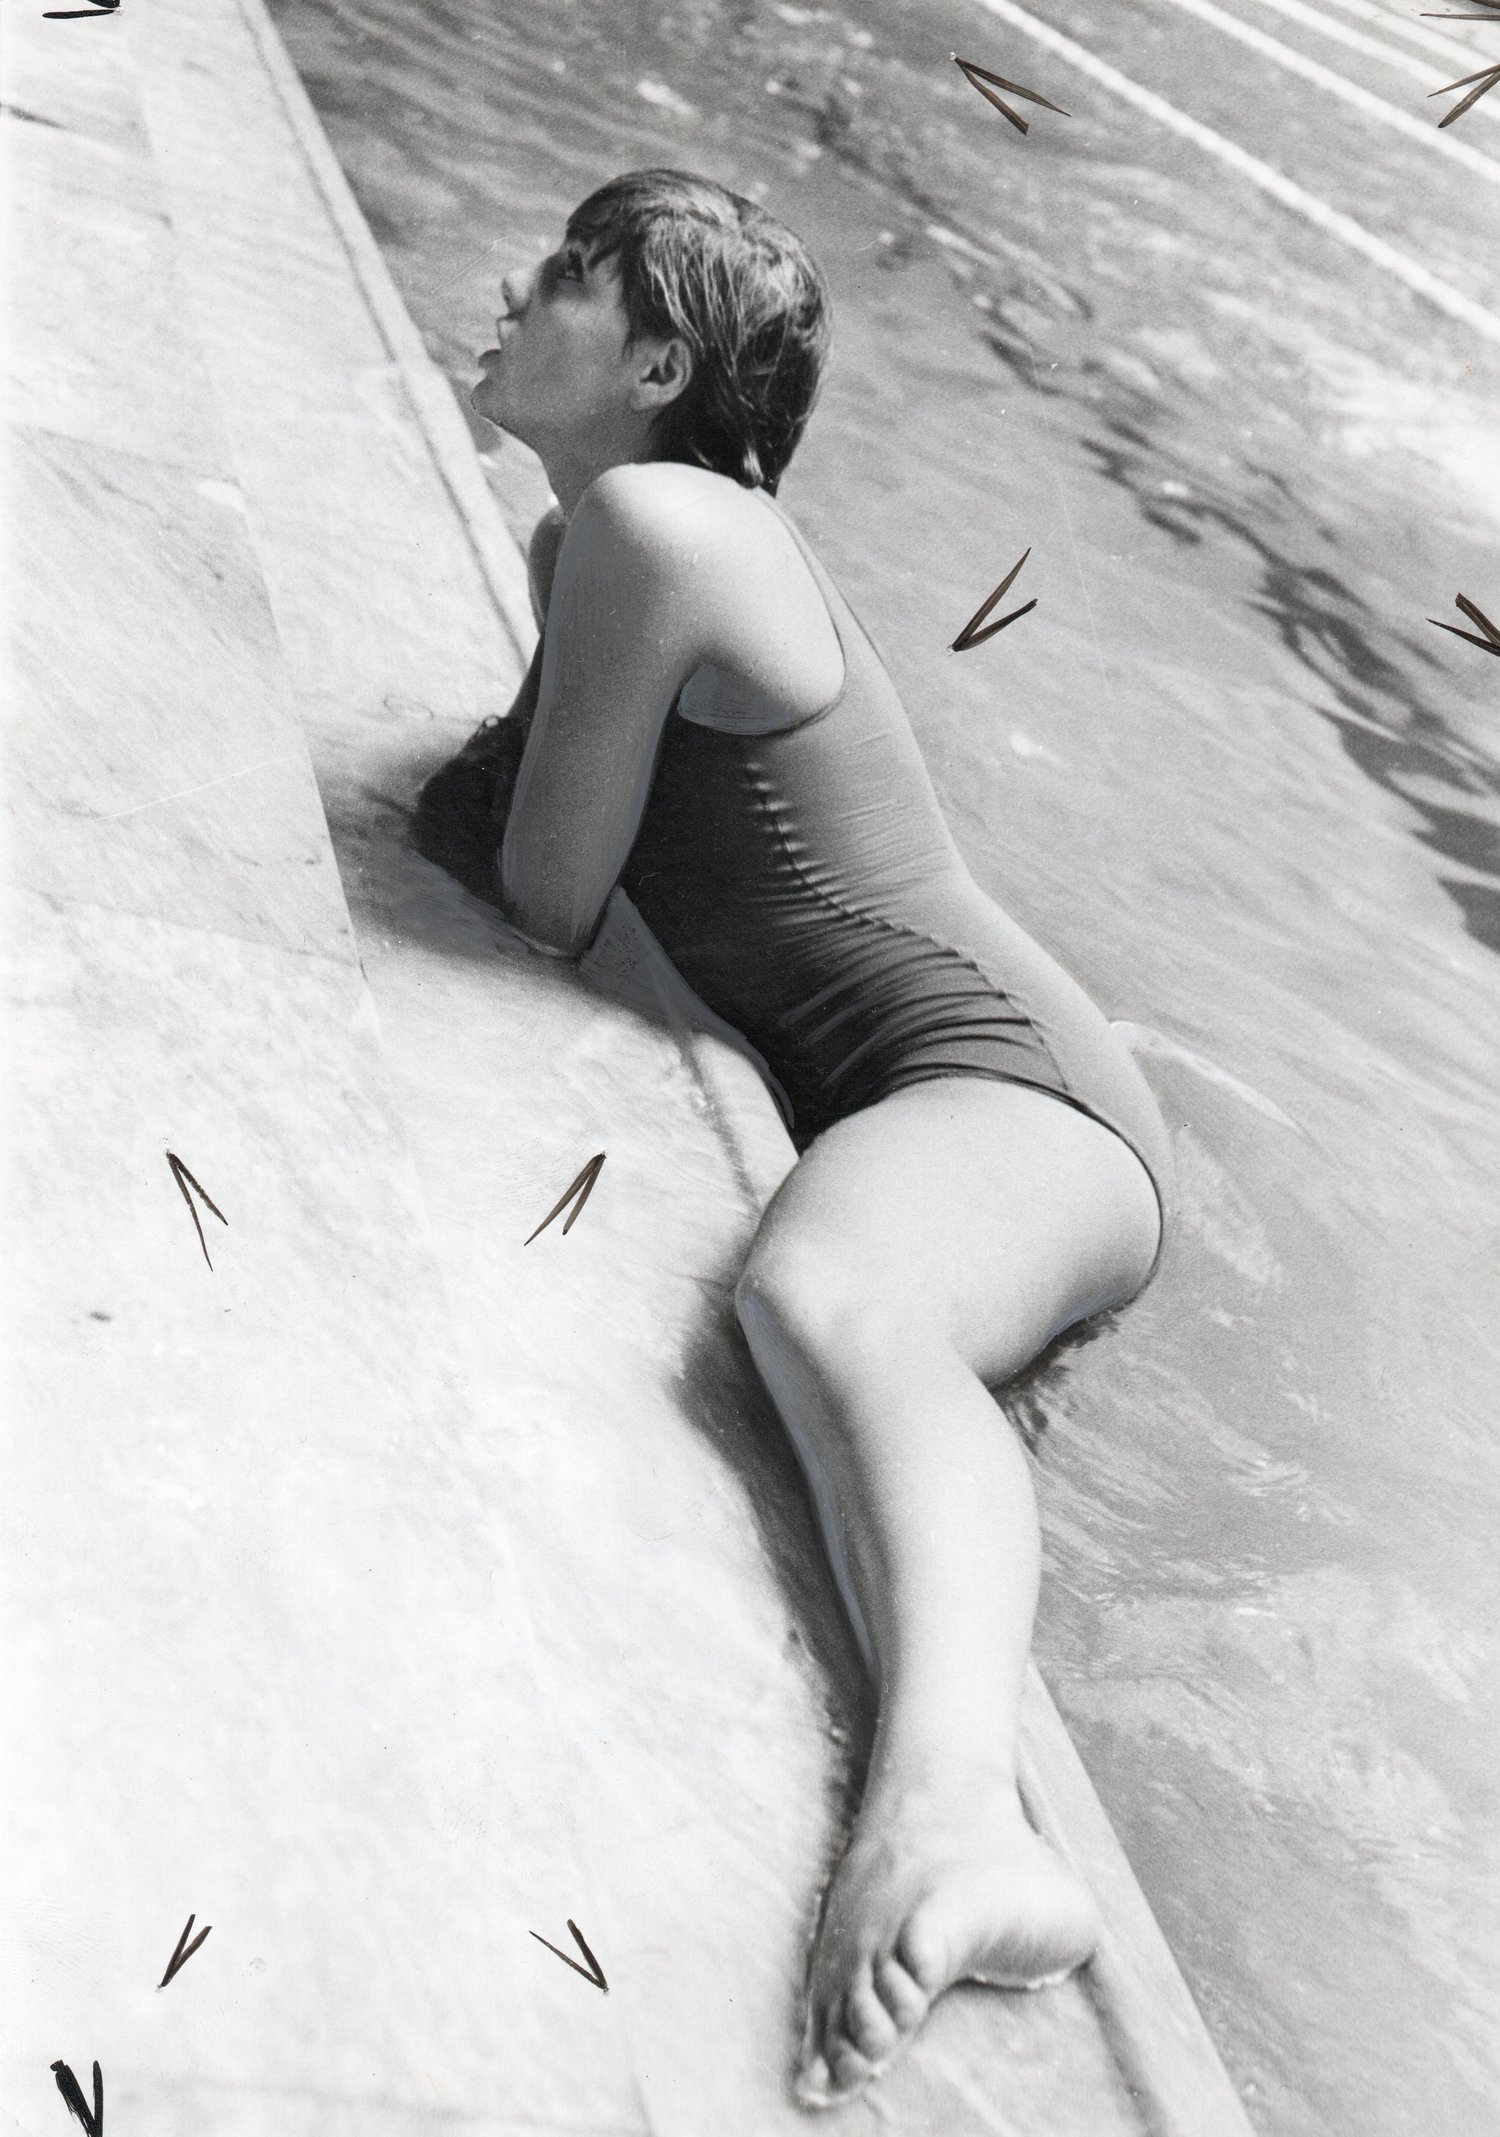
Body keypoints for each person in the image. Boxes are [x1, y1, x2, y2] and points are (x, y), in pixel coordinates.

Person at [438, 168, 1173, 2111]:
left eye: (567, 278)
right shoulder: (603, 524)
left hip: (1017, 1095)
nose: (515, 286)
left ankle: (957, 1818)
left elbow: (543, 894)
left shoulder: (658, 522)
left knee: (831, 1294)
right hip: (963, 1083)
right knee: (817, 1299)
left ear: (661, 366)